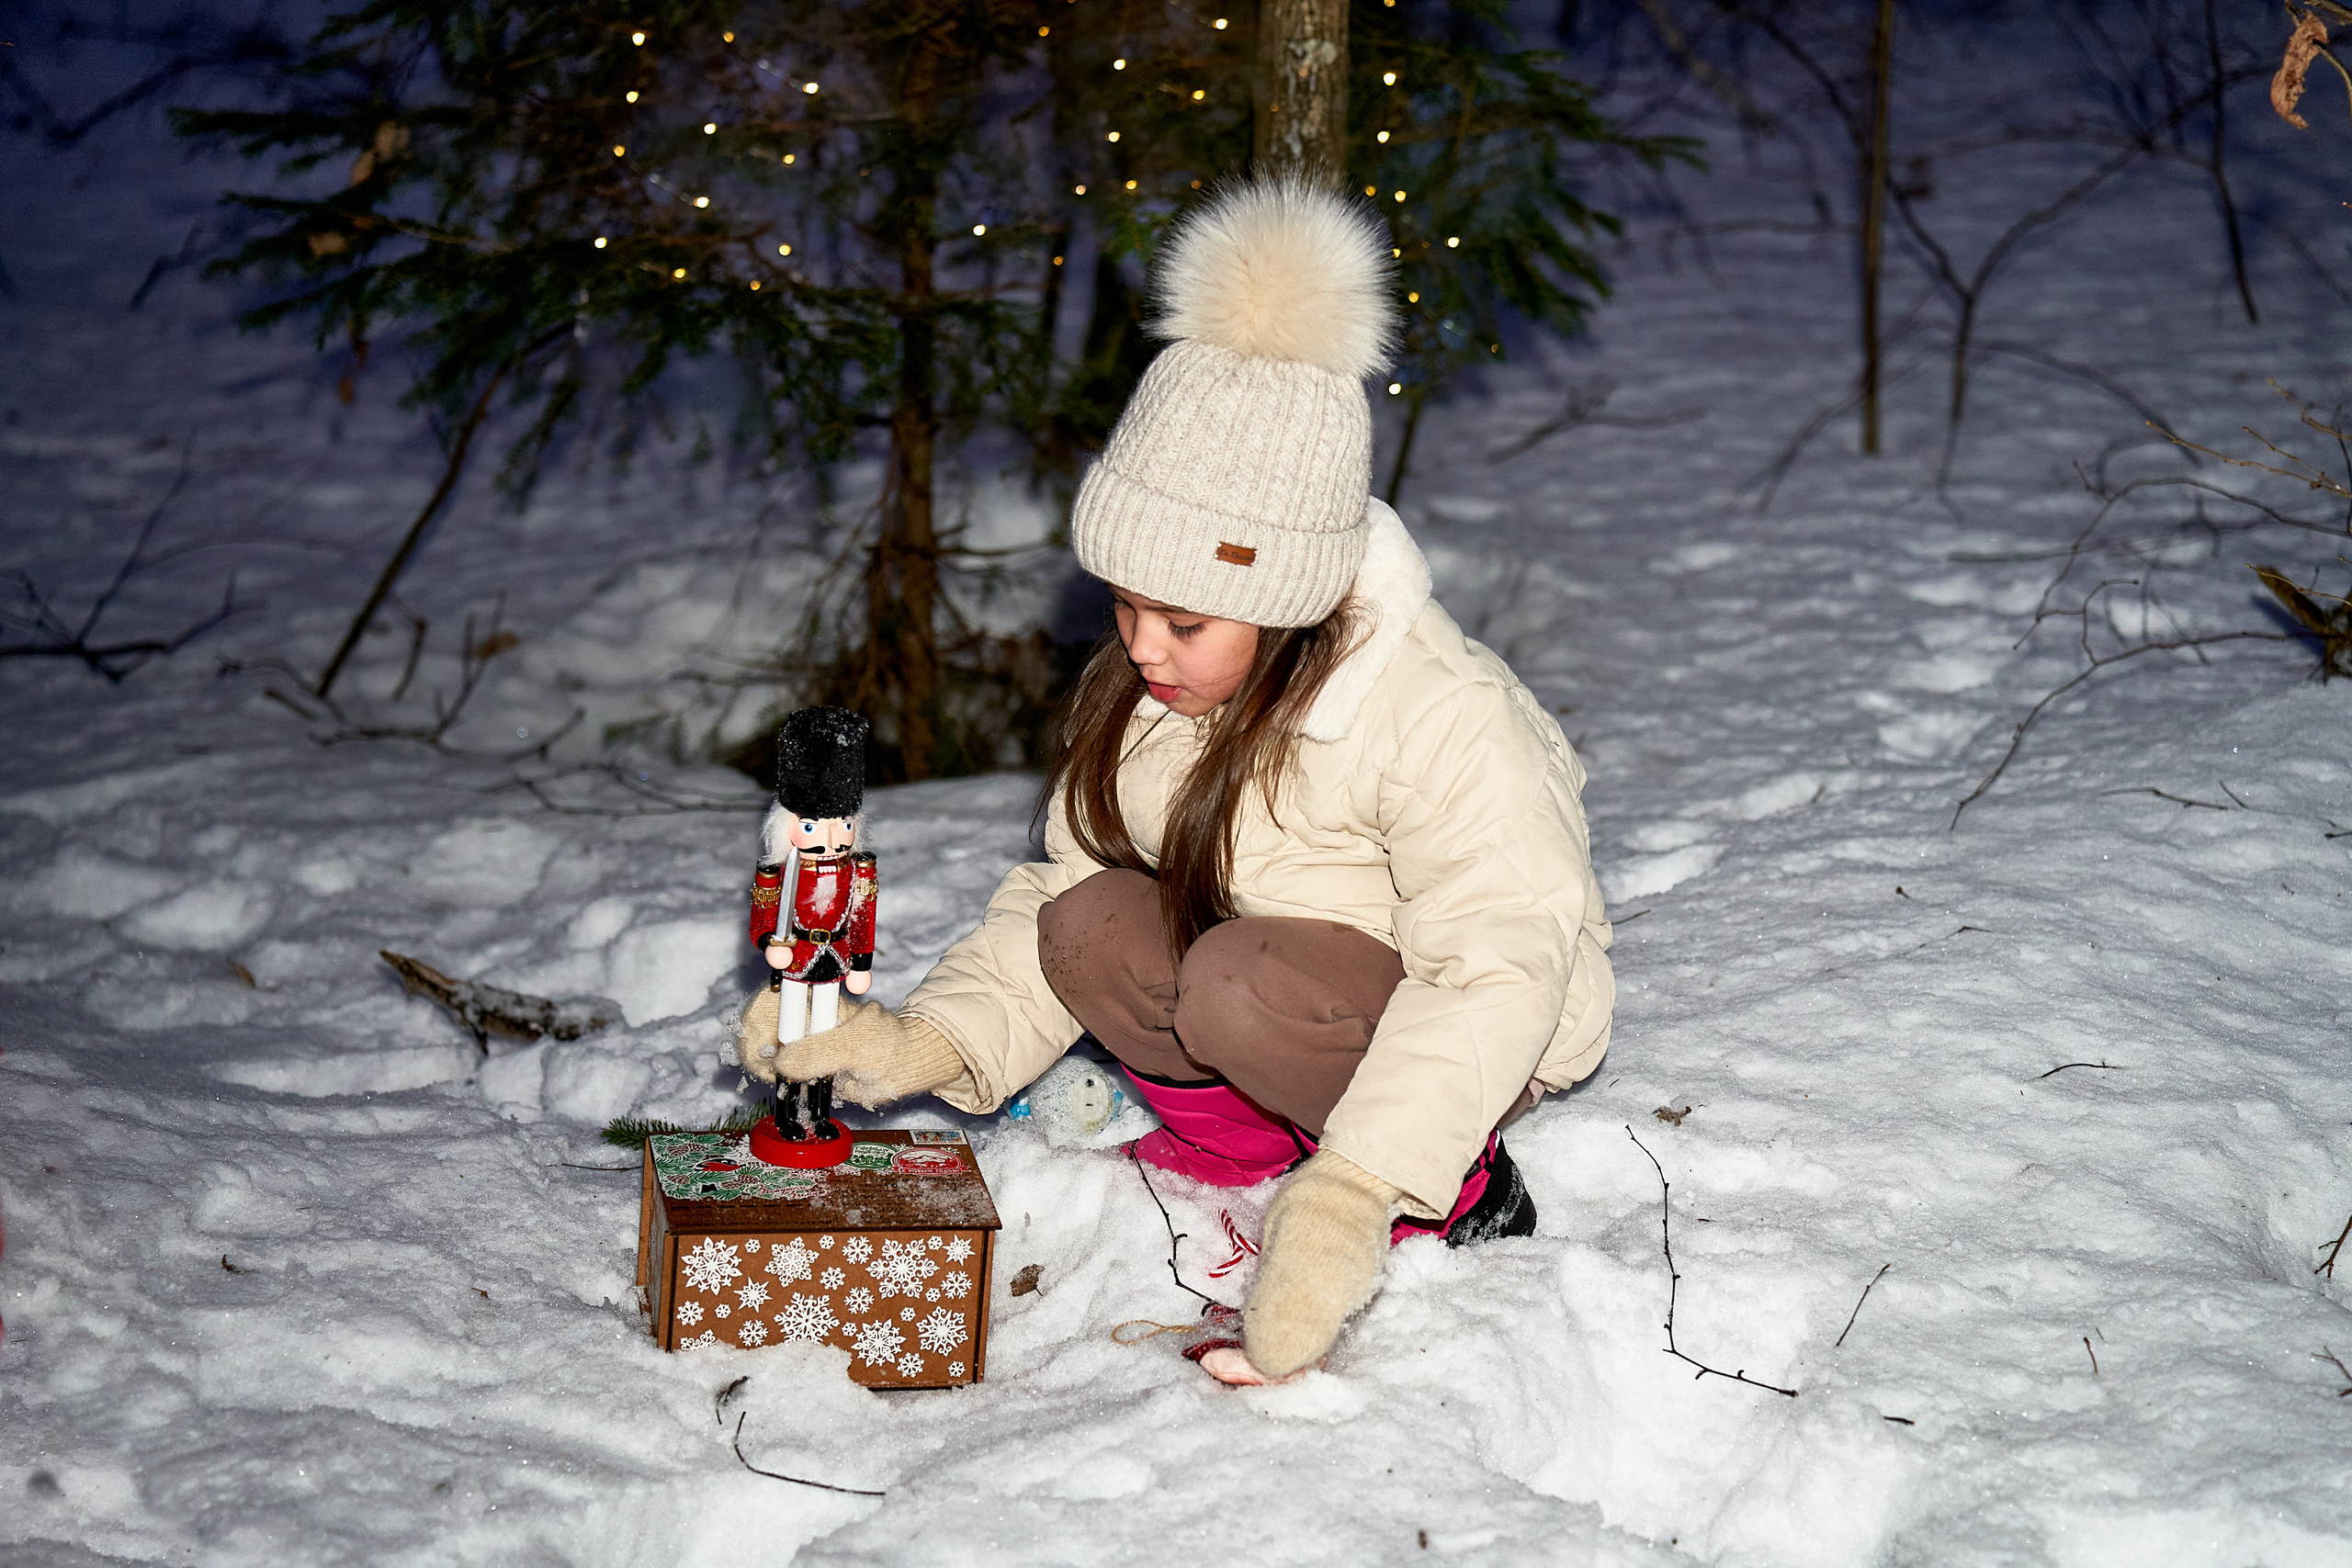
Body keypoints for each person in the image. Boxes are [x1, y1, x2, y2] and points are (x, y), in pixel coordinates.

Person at [742, 175, 1613, 1385]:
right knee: (1090, 926)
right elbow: (1071, 882)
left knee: (1238, 981)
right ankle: (1263, 1161)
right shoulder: (1156, 690)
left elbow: (1499, 960)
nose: (1141, 647)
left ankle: (1446, 1194)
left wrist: (1356, 1192)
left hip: (1454, 1025)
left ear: (1284, 599)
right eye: (1127, 605)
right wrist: (932, 1042)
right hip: (1259, 984)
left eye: (1183, 619)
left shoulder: (1439, 714)